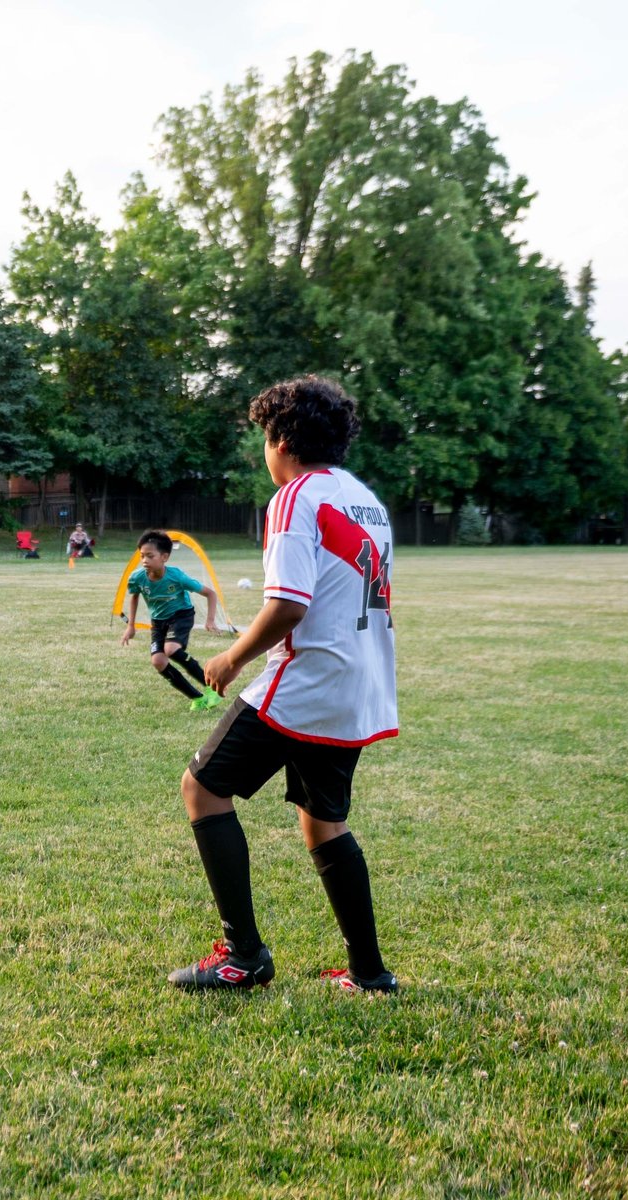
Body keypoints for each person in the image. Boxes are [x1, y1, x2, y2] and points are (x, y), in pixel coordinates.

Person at [171, 376, 400, 994]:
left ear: (281, 440)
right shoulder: (364, 499)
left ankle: (243, 957)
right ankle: (369, 973)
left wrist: (232, 659)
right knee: (323, 820)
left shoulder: (295, 497)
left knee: (203, 789)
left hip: (307, 679)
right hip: (358, 682)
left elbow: (290, 605)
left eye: (264, 440)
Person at [120, 531, 224, 711]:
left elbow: (210, 594)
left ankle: (212, 688)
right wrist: (131, 626)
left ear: (164, 557)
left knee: (171, 649)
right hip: (158, 622)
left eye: (150, 556)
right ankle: (198, 698)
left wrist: (210, 620)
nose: (144, 560)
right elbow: (134, 596)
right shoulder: (137, 577)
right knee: (158, 661)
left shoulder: (176, 577)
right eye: (142, 556)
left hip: (181, 615)